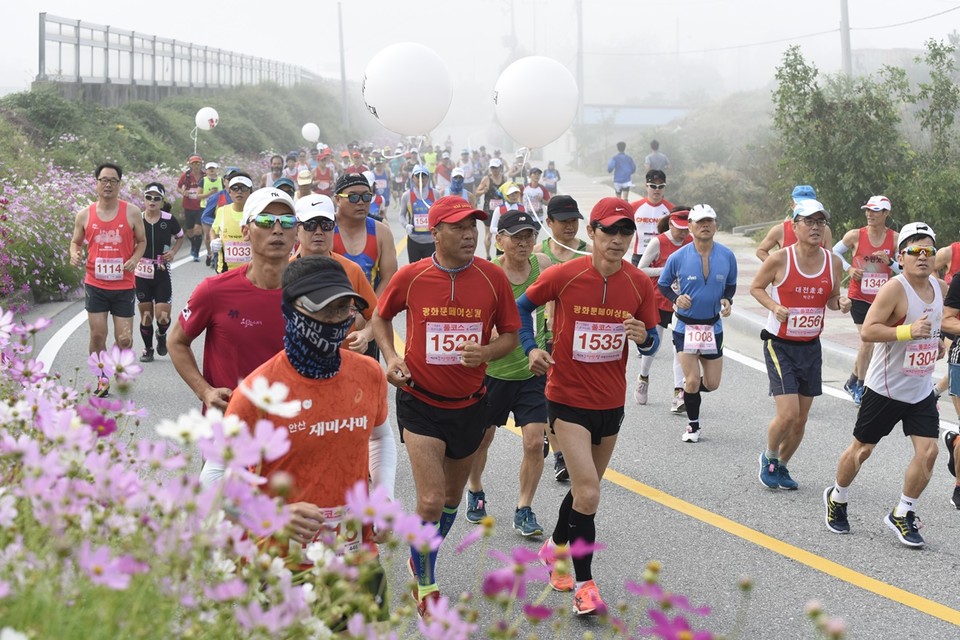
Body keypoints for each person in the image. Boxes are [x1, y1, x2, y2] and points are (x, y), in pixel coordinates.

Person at [201, 256, 396, 607]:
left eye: (344, 309)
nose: (338, 321)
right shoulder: (258, 392)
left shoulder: (369, 374)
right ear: (292, 311)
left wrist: (383, 496)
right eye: (325, 311)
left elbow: (380, 436)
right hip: (279, 565)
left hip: (354, 556)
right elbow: (212, 478)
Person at [370, 195, 520, 617]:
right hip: (420, 402)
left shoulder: (493, 278)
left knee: (453, 497)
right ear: (434, 232)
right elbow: (380, 318)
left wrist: (488, 353)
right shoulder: (413, 276)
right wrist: (393, 357)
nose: (469, 233)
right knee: (431, 500)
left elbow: (510, 334)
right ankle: (428, 586)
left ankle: (423, 553)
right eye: (457, 227)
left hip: (471, 405)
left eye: (473, 225)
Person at [517, 197, 660, 615]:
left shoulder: (638, 284)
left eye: (625, 232)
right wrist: (529, 348)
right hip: (566, 399)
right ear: (592, 233)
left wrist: (643, 336)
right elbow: (521, 307)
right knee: (591, 492)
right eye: (609, 232)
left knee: (584, 495)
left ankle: (554, 546)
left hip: (610, 404)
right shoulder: (565, 275)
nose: (617, 240)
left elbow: (652, 337)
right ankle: (584, 585)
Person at [823, 223, 944, 548]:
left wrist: (937, 341)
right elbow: (868, 331)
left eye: (929, 251)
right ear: (900, 256)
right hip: (885, 388)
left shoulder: (939, 287)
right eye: (915, 252)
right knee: (862, 451)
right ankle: (838, 495)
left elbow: (933, 325)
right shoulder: (894, 288)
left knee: (929, 452)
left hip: (919, 390)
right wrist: (906, 332)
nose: (923, 257)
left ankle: (903, 512)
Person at [749, 200, 851, 490]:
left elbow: (831, 297)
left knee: (801, 418)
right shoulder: (780, 259)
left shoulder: (833, 262)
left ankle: (781, 466)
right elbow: (756, 287)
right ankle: (768, 458)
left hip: (811, 346)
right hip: (779, 343)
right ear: (795, 226)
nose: (816, 227)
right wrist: (774, 306)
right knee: (788, 413)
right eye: (809, 221)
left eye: (821, 222)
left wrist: (840, 302)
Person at [168, 188, 298, 412]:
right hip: (229, 428)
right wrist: (205, 391)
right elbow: (176, 341)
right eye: (265, 221)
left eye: (287, 222)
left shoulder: (311, 293)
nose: (277, 229)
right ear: (245, 231)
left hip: (291, 427)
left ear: (296, 231)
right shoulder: (213, 291)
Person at [464, 211, 553, 536]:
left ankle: (524, 507)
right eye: (516, 237)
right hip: (493, 372)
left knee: (533, 443)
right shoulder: (486, 272)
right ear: (499, 239)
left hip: (532, 372)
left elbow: (566, 289)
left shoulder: (542, 265)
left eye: (529, 236)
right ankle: (475, 489)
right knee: (482, 439)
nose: (524, 243)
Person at [657, 204, 737, 443]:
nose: (705, 226)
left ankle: (687, 393)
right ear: (690, 227)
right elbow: (663, 284)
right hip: (685, 326)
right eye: (699, 222)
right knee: (692, 379)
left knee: (712, 384)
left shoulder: (727, 255)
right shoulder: (678, 257)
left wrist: (727, 299)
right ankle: (693, 426)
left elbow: (730, 284)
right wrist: (675, 298)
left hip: (713, 327)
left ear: (716, 225)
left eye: (709, 221)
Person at [69, 163, 147, 396]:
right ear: (96, 183)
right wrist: (74, 253)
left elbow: (141, 242)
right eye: (104, 180)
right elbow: (75, 241)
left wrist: (134, 259)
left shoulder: (132, 212)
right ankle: (101, 377)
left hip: (123, 285)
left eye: (113, 180)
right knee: (97, 334)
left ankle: (116, 366)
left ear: (119, 185)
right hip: (96, 284)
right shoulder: (84, 214)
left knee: (125, 340)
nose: (108, 184)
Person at [534, 195, 590, 482]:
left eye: (574, 221)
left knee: (573, 396)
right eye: (564, 221)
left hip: (582, 340)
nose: (570, 226)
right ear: (549, 223)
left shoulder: (589, 254)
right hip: (546, 337)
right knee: (549, 395)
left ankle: (563, 440)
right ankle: (559, 454)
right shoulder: (537, 253)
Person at [832, 195, 899, 405]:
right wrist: (850, 268)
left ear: (886, 213)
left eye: (875, 211)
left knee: (872, 344)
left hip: (883, 299)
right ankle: (861, 386)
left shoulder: (895, 239)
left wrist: (890, 262)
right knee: (868, 341)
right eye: (868, 210)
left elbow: (905, 267)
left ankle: (852, 380)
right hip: (859, 297)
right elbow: (833, 253)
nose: (870, 214)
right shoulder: (855, 235)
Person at [294, 194, 377, 356]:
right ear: (297, 229)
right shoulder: (284, 272)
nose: (318, 232)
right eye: (310, 225)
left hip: (344, 368)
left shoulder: (352, 270)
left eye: (326, 225)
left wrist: (365, 335)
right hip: (297, 368)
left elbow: (377, 317)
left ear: (334, 228)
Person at [637, 208, 693, 411]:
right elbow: (641, 269)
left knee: (680, 348)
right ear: (670, 225)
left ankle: (679, 393)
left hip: (682, 301)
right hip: (659, 299)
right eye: (679, 230)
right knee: (654, 345)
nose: (683, 234)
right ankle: (643, 376)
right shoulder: (658, 242)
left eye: (686, 230)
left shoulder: (691, 242)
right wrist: (668, 270)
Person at [135, 183, 184, 363]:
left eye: (156, 198)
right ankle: (148, 349)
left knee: (163, 317)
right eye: (149, 197)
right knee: (146, 316)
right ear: (144, 199)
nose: (152, 201)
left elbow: (180, 236)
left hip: (161, 271)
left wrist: (173, 252)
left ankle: (161, 334)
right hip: (141, 272)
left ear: (162, 201)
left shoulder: (169, 219)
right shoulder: (137, 219)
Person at [755, 185, 835, 262]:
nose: (805, 208)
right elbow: (761, 251)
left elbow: (830, 259)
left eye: (809, 204)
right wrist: (777, 268)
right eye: (800, 204)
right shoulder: (780, 230)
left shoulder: (824, 230)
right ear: (792, 205)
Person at [210, 174, 254, 273]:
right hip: (226, 270)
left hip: (251, 271)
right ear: (229, 192)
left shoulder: (257, 212)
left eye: (244, 188)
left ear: (250, 192)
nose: (239, 192)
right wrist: (213, 241)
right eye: (235, 188)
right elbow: (213, 229)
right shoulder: (222, 211)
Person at [629, 170, 673, 266]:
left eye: (661, 186)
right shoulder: (633, 207)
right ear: (646, 185)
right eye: (653, 186)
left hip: (662, 256)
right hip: (639, 255)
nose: (657, 189)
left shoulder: (671, 209)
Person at [398, 165, 439, 264]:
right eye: (418, 176)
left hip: (431, 241)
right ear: (412, 177)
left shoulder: (435, 194)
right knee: (414, 270)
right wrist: (406, 225)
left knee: (430, 270)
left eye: (424, 176)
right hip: (414, 240)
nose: (421, 179)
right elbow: (401, 215)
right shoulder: (406, 195)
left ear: (428, 177)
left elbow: (440, 213)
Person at [475, 158, 508, 260]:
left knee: (502, 233)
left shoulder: (504, 179)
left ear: (500, 168)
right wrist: (483, 191)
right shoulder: (486, 179)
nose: (494, 170)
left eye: (496, 168)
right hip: (488, 210)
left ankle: (502, 255)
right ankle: (488, 255)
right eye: (492, 168)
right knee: (488, 234)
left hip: (501, 211)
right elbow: (476, 192)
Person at [177, 155, 205, 262]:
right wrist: (183, 192)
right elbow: (178, 187)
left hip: (201, 206)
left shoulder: (205, 176)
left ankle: (196, 252)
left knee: (198, 230)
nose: (196, 166)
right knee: (190, 232)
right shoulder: (186, 175)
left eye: (198, 163)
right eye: (194, 164)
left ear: (201, 164)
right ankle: (194, 245)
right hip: (188, 205)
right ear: (190, 165)